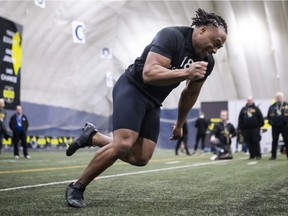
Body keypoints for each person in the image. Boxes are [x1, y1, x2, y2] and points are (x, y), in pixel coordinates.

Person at [65, 8, 228, 208]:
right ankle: (77, 186)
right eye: (216, 43)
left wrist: (179, 124)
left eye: (220, 47)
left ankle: (93, 137)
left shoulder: (206, 62)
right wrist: (186, 72)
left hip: (153, 101)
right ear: (202, 30)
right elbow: (149, 73)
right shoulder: (172, 36)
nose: (215, 50)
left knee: (141, 157)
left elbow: (191, 93)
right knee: (124, 144)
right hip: (133, 88)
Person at [267, 91, 288, 160]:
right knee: (274, 141)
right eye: (277, 97)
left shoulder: (286, 105)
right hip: (275, 127)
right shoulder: (272, 106)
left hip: (285, 126)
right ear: (275, 98)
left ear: (282, 98)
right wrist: (271, 123)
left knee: (286, 140)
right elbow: (268, 116)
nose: (278, 99)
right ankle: (273, 156)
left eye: (280, 97)